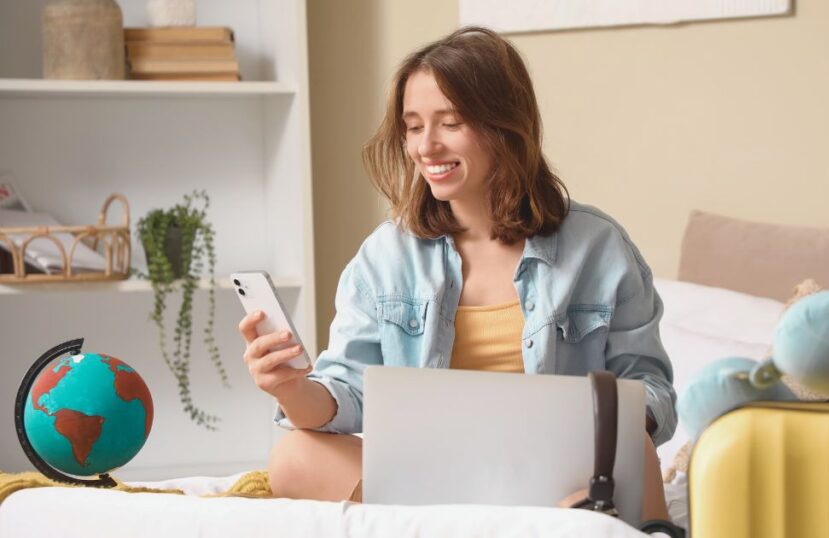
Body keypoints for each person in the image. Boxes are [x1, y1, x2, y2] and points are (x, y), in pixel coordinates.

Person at [237, 26, 677, 521]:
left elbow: (652, 392)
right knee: (294, 456)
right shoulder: (386, 256)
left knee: (634, 452)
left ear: (505, 126)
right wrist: (291, 388)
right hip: (430, 480)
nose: (427, 146)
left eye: (450, 122)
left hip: (560, 478)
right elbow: (348, 393)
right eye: (413, 126)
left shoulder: (598, 247)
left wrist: (585, 433)